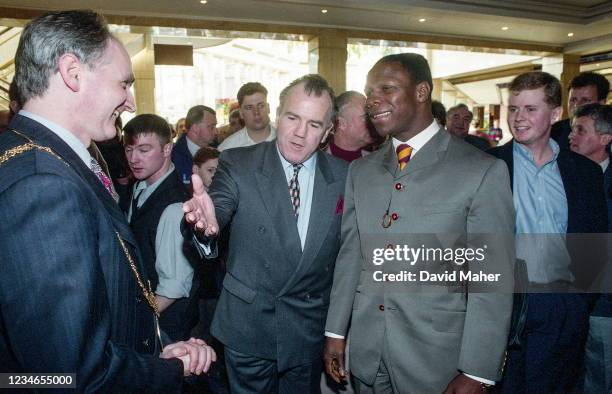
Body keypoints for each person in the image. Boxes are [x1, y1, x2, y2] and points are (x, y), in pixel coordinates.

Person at [0, 10, 215, 391]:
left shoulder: (32, 154)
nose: (130, 102)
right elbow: (68, 374)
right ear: (72, 73)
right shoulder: (43, 186)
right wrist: (170, 370)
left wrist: (155, 345)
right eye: (123, 84)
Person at [323, 53, 515, 393]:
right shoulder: (361, 171)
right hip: (366, 353)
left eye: (387, 88)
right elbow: (351, 256)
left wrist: (477, 370)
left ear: (422, 91)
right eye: (369, 91)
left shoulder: (481, 170)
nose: (373, 100)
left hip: (436, 360)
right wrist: (336, 332)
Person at [184, 74, 348, 393]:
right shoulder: (238, 162)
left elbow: (350, 257)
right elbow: (217, 207)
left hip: (308, 328)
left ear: (328, 131)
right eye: (292, 118)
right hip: (249, 324)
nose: (300, 134)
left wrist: (336, 331)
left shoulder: (345, 177)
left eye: (314, 125)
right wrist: (204, 225)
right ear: (278, 115)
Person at [488, 71, 607, 393]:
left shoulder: (584, 173)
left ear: (555, 114)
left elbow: (596, 242)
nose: (518, 118)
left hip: (563, 304)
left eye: (530, 109)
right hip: (504, 304)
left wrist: (580, 301)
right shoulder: (487, 165)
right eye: (513, 109)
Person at [124, 114, 199, 342]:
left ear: (167, 150)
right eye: (128, 150)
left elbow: (173, 287)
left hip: (166, 327)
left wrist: (133, 321)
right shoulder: (138, 188)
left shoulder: (176, 206)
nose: (134, 159)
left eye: (144, 150)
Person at [568, 103, 612, 393]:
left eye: (580, 130)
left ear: (605, 139)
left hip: (604, 306)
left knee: (600, 377)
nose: (571, 136)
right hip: (566, 301)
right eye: (572, 129)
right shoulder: (562, 173)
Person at [551, 71, 610, 150]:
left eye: (585, 100)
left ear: (602, 103)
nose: (576, 106)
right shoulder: (554, 132)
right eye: (573, 100)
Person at [217, 82, 276, 151]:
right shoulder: (227, 149)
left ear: (268, 108)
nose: (256, 112)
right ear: (241, 113)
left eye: (261, 106)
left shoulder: (285, 140)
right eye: (249, 107)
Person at [172, 105, 218, 184]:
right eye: (211, 127)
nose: (216, 132)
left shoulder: (219, 151)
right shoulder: (172, 157)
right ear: (195, 128)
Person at [325, 90, 374, 162]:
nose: (373, 121)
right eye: (365, 117)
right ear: (342, 124)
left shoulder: (378, 164)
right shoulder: (316, 165)